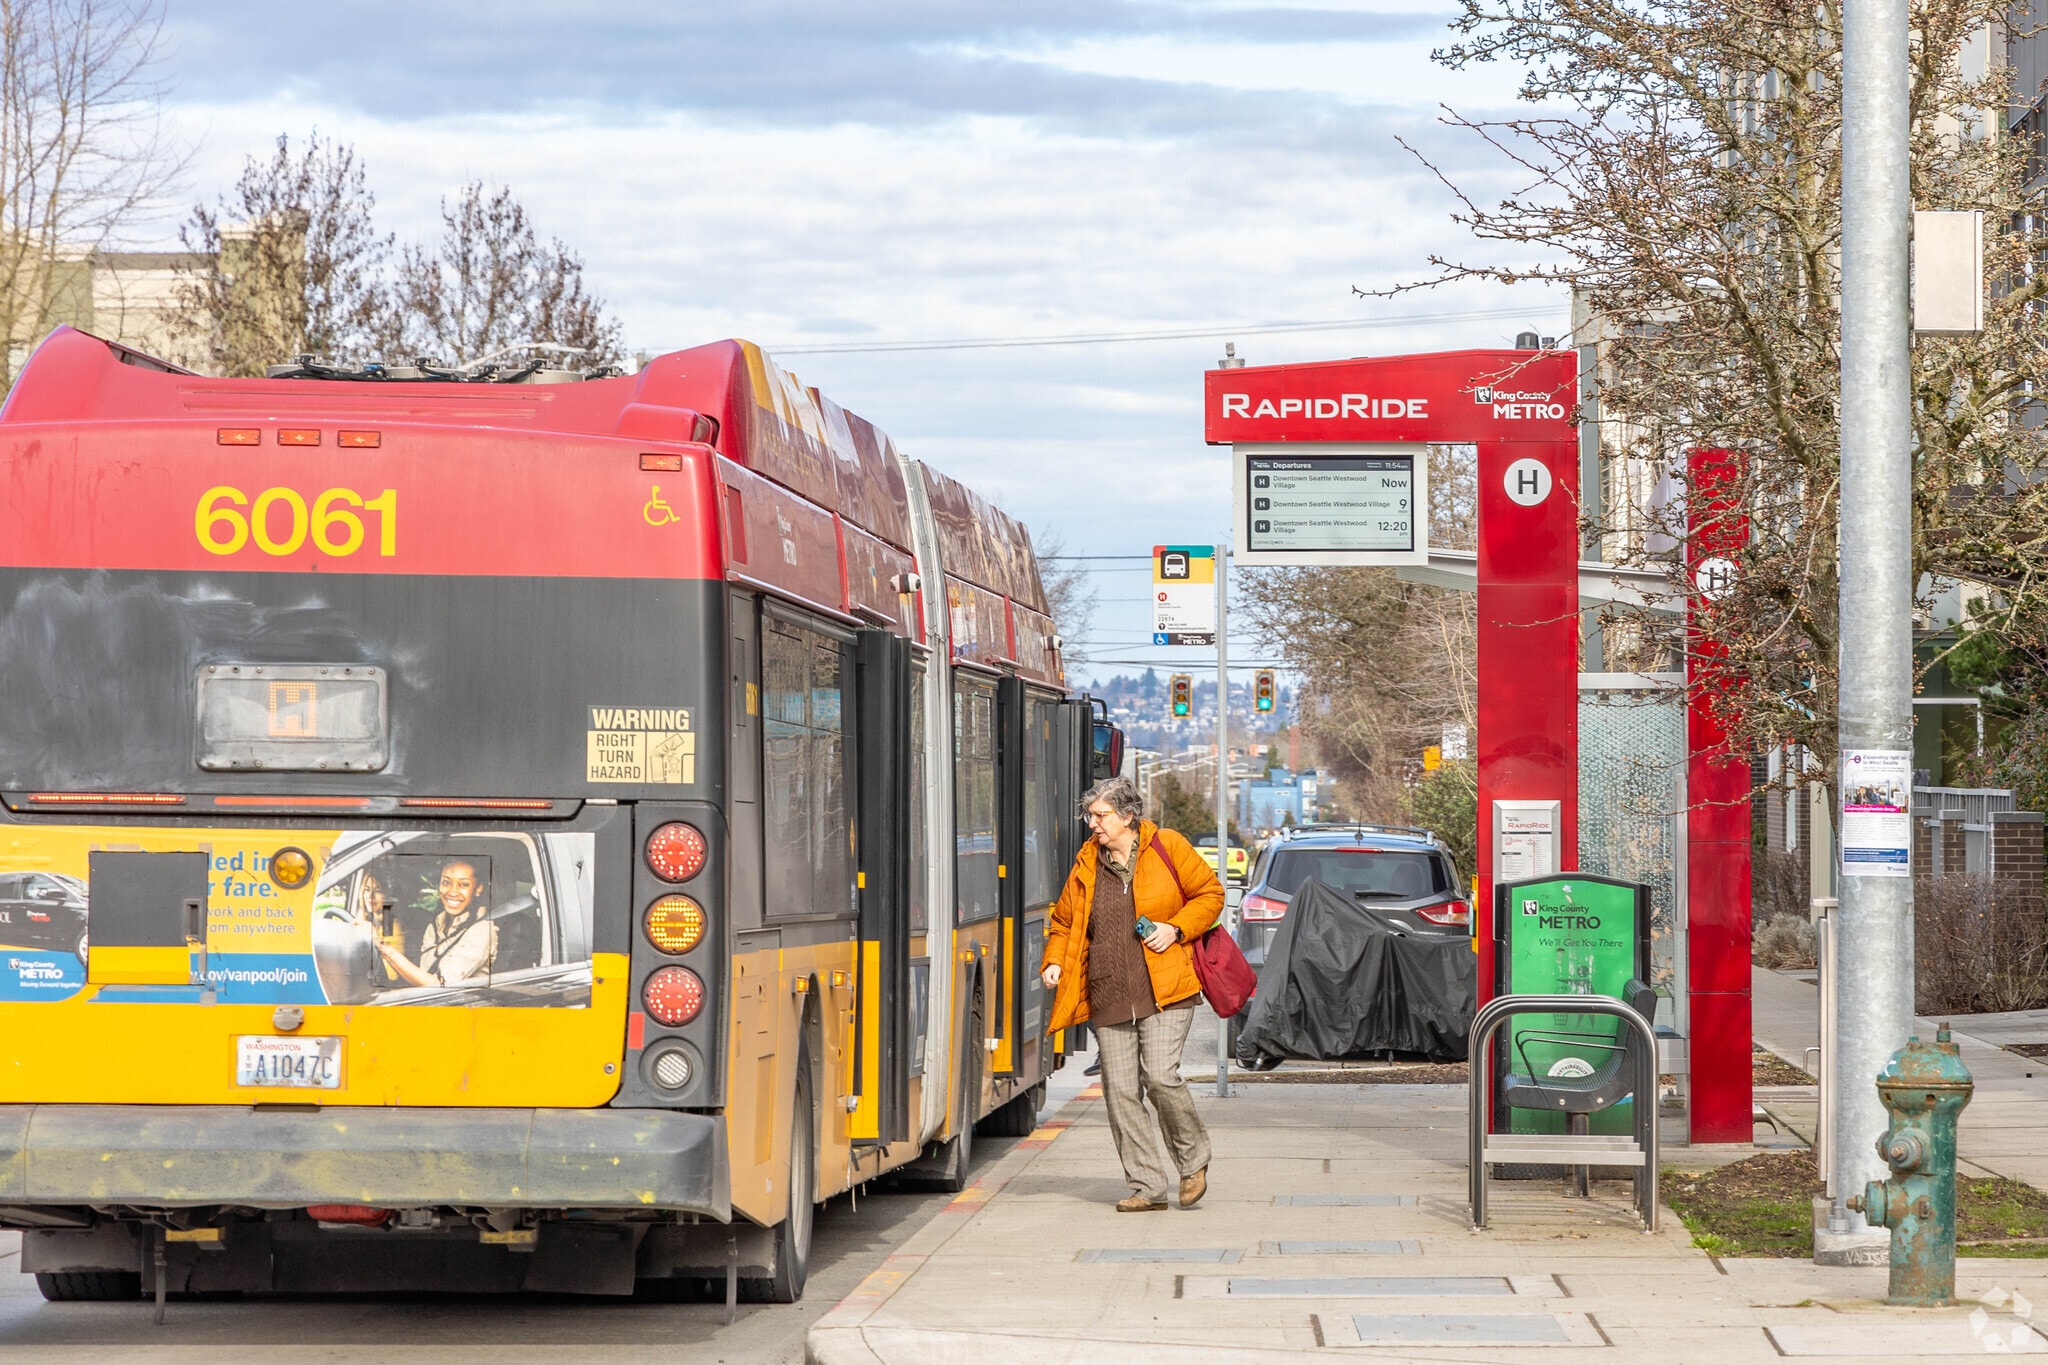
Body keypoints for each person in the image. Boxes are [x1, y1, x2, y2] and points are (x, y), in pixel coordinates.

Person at [1041, 776, 1223, 1212]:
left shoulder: (1168, 847)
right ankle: (1147, 1186)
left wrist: (1175, 928)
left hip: (1165, 987)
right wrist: (1055, 961)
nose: (1093, 825)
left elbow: (1210, 894)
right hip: (1108, 990)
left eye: (1101, 816)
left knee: (1160, 1076)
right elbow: (1065, 920)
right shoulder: (1088, 861)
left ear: (1127, 815)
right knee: (1120, 1091)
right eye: (1090, 816)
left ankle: (1193, 1161)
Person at [376, 859, 497, 988]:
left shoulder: (482, 930)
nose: (452, 892)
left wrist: (385, 950)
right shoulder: (435, 924)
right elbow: (425, 973)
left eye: (463, 885)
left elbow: (440, 986)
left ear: (478, 889)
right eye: (446, 882)